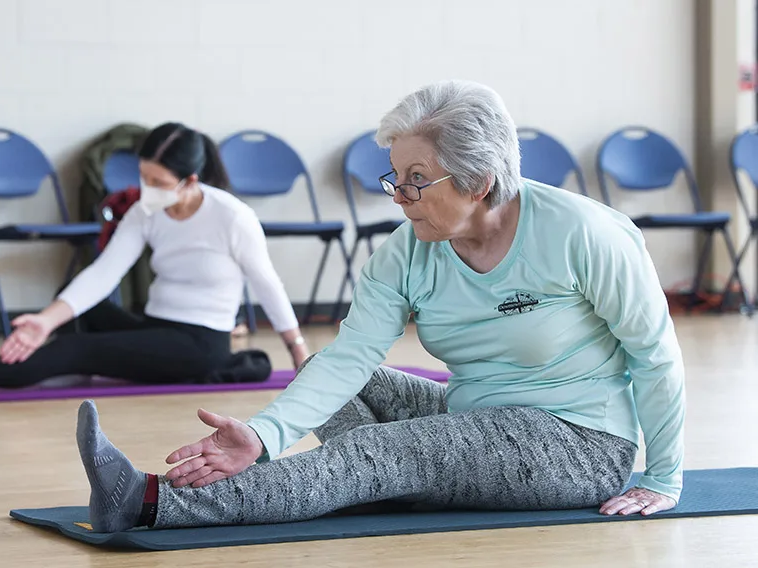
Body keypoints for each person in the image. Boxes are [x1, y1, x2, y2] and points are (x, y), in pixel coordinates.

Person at [71, 80, 687, 533]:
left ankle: (148, 501)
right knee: (324, 374)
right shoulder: (408, 250)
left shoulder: (586, 233)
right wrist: (262, 435)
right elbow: (350, 358)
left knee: (378, 455)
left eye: (416, 179)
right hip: (470, 413)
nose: (399, 196)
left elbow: (655, 356)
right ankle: (388, 483)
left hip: (578, 443)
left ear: (479, 181)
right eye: (395, 177)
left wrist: (662, 477)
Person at [0, 122, 309, 395]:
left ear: (190, 181)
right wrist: (44, 321)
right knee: (67, 306)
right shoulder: (146, 210)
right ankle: (60, 362)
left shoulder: (232, 217)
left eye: (158, 182)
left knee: (77, 347)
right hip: (156, 327)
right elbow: (103, 273)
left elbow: (267, 284)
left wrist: (298, 351)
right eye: (143, 177)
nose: (147, 189)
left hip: (200, 345)